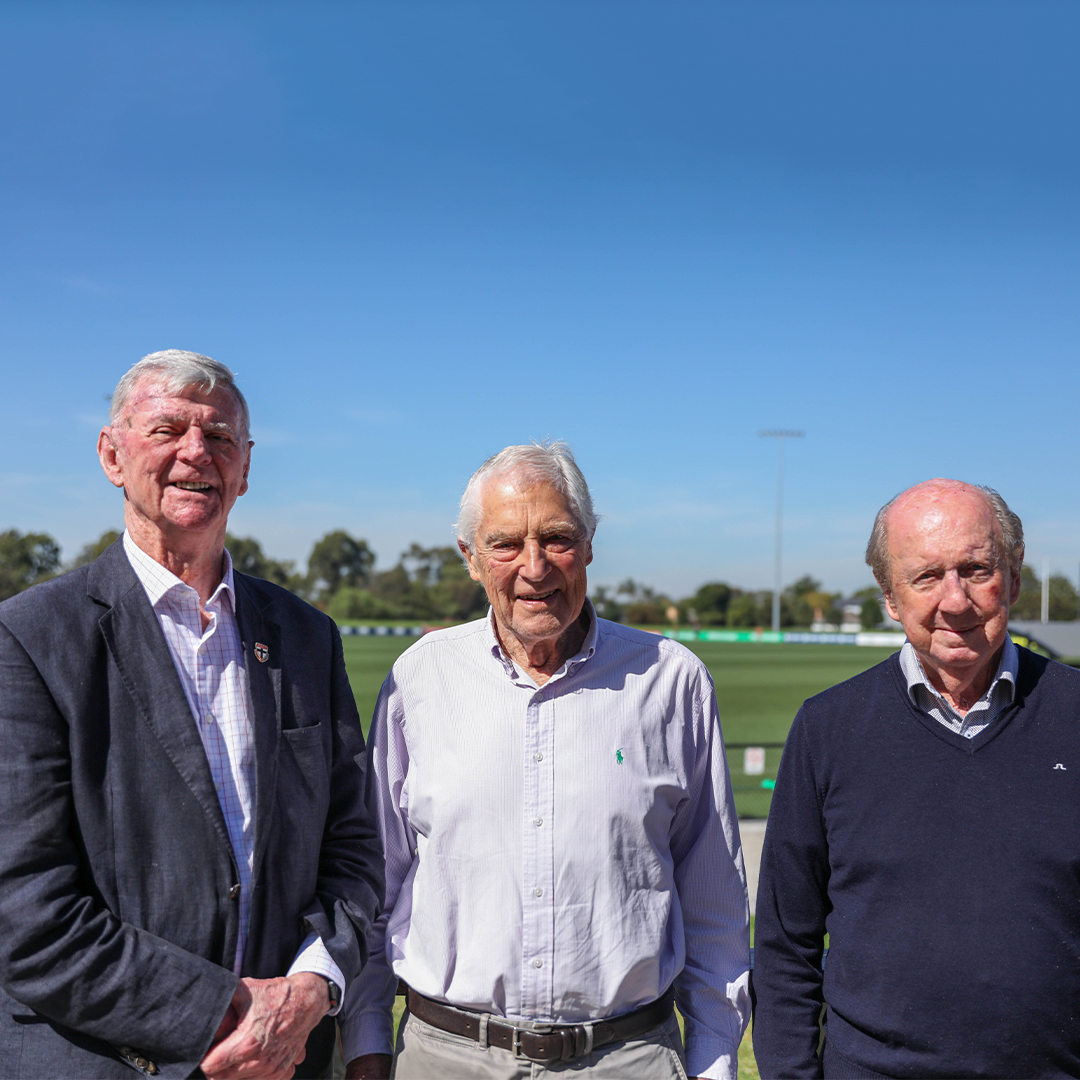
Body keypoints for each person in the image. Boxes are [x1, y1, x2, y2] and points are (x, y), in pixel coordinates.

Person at [0, 350, 384, 1079]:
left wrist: (311, 986)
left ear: (245, 467)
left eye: (219, 436)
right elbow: (24, 908)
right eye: (167, 429)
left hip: (287, 1056)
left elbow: (354, 848)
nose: (194, 453)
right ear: (112, 455)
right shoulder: (29, 637)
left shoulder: (306, 636)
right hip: (105, 1061)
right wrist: (227, 1011)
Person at [341, 442, 750, 1080]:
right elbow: (375, 883)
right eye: (505, 544)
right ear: (470, 558)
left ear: (589, 545)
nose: (534, 567)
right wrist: (366, 1043)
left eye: (557, 538)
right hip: (446, 1056)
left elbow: (714, 905)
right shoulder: (419, 680)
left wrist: (715, 1061)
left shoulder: (672, 681)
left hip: (629, 1058)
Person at [753, 478, 1080, 1078]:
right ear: (889, 597)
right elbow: (784, 944)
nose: (954, 601)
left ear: (1013, 576)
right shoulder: (827, 728)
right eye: (926, 577)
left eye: (976, 569)